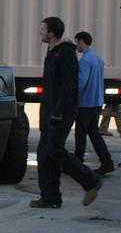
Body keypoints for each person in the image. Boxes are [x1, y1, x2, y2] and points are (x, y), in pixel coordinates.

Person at [30, 16, 103, 209]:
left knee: (54, 150)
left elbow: (69, 88)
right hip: (49, 111)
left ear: (52, 33)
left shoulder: (66, 54)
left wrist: (58, 112)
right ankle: (50, 197)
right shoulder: (52, 52)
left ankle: (91, 181)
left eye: (43, 29)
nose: (40, 32)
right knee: (44, 154)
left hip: (60, 112)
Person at [73, 31, 115, 176]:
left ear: (82, 41)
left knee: (80, 134)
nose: (76, 46)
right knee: (94, 134)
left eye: (77, 42)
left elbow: (81, 82)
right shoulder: (98, 58)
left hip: (86, 103)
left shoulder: (85, 60)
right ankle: (107, 162)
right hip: (96, 102)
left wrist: (70, 95)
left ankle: (77, 163)